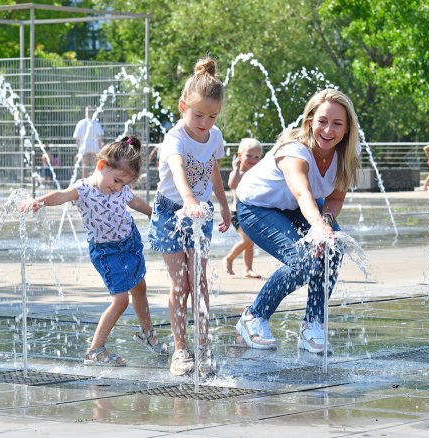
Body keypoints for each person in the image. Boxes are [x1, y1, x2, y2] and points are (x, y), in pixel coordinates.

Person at [234, 88, 359, 354]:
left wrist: (325, 221)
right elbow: (302, 193)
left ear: (347, 129)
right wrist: (318, 227)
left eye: (337, 124)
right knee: (303, 262)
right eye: (322, 121)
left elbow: (335, 199)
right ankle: (253, 317)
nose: (328, 130)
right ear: (310, 120)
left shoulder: (344, 158)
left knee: (333, 249)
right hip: (257, 206)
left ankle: (312, 324)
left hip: (298, 207)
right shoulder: (295, 151)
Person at [25, 136, 166, 366]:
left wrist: (153, 214)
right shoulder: (84, 189)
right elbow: (60, 195)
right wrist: (39, 201)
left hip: (130, 243)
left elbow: (136, 203)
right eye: (117, 180)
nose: (118, 187)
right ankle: (95, 349)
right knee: (120, 300)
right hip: (106, 252)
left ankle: (147, 334)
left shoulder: (120, 190)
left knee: (140, 287)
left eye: (123, 184)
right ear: (101, 166)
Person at [148, 57, 231, 376]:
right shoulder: (175, 139)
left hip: (201, 212)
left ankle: (204, 345)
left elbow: (213, 172)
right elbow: (179, 171)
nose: (205, 122)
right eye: (198, 114)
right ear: (183, 106)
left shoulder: (215, 136)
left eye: (212, 116)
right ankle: (181, 350)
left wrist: (224, 205)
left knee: (199, 280)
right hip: (171, 211)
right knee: (180, 282)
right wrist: (188, 200)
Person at [225, 138, 263, 279]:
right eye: (249, 156)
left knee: (250, 242)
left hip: (252, 212)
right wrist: (236, 169)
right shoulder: (237, 173)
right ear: (239, 155)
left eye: (257, 157)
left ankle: (248, 269)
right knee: (247, 240)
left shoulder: (257, 173)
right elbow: (232, 184)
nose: (253, 159)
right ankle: (229, 258)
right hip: (238, 213)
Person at [73, 106, 104, 179]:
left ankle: (84, 180)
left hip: (84, 145)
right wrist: (101, 149)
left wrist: (79, 149)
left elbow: (77, 138)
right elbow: (99, 138)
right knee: (94, 163)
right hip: (94, 145)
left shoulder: (81, 123)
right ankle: (93, 179)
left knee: (84, 164)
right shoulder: (96, 123)